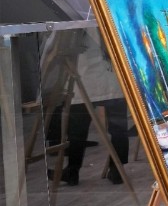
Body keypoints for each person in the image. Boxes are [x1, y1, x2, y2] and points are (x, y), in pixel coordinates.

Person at [43, 30, 128, 187]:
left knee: (78, 129)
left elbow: (54, 45)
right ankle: (117, 170)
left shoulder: (75, 16)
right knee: (118, 128)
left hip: (86, 78)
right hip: (112, 77)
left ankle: (73, 170)